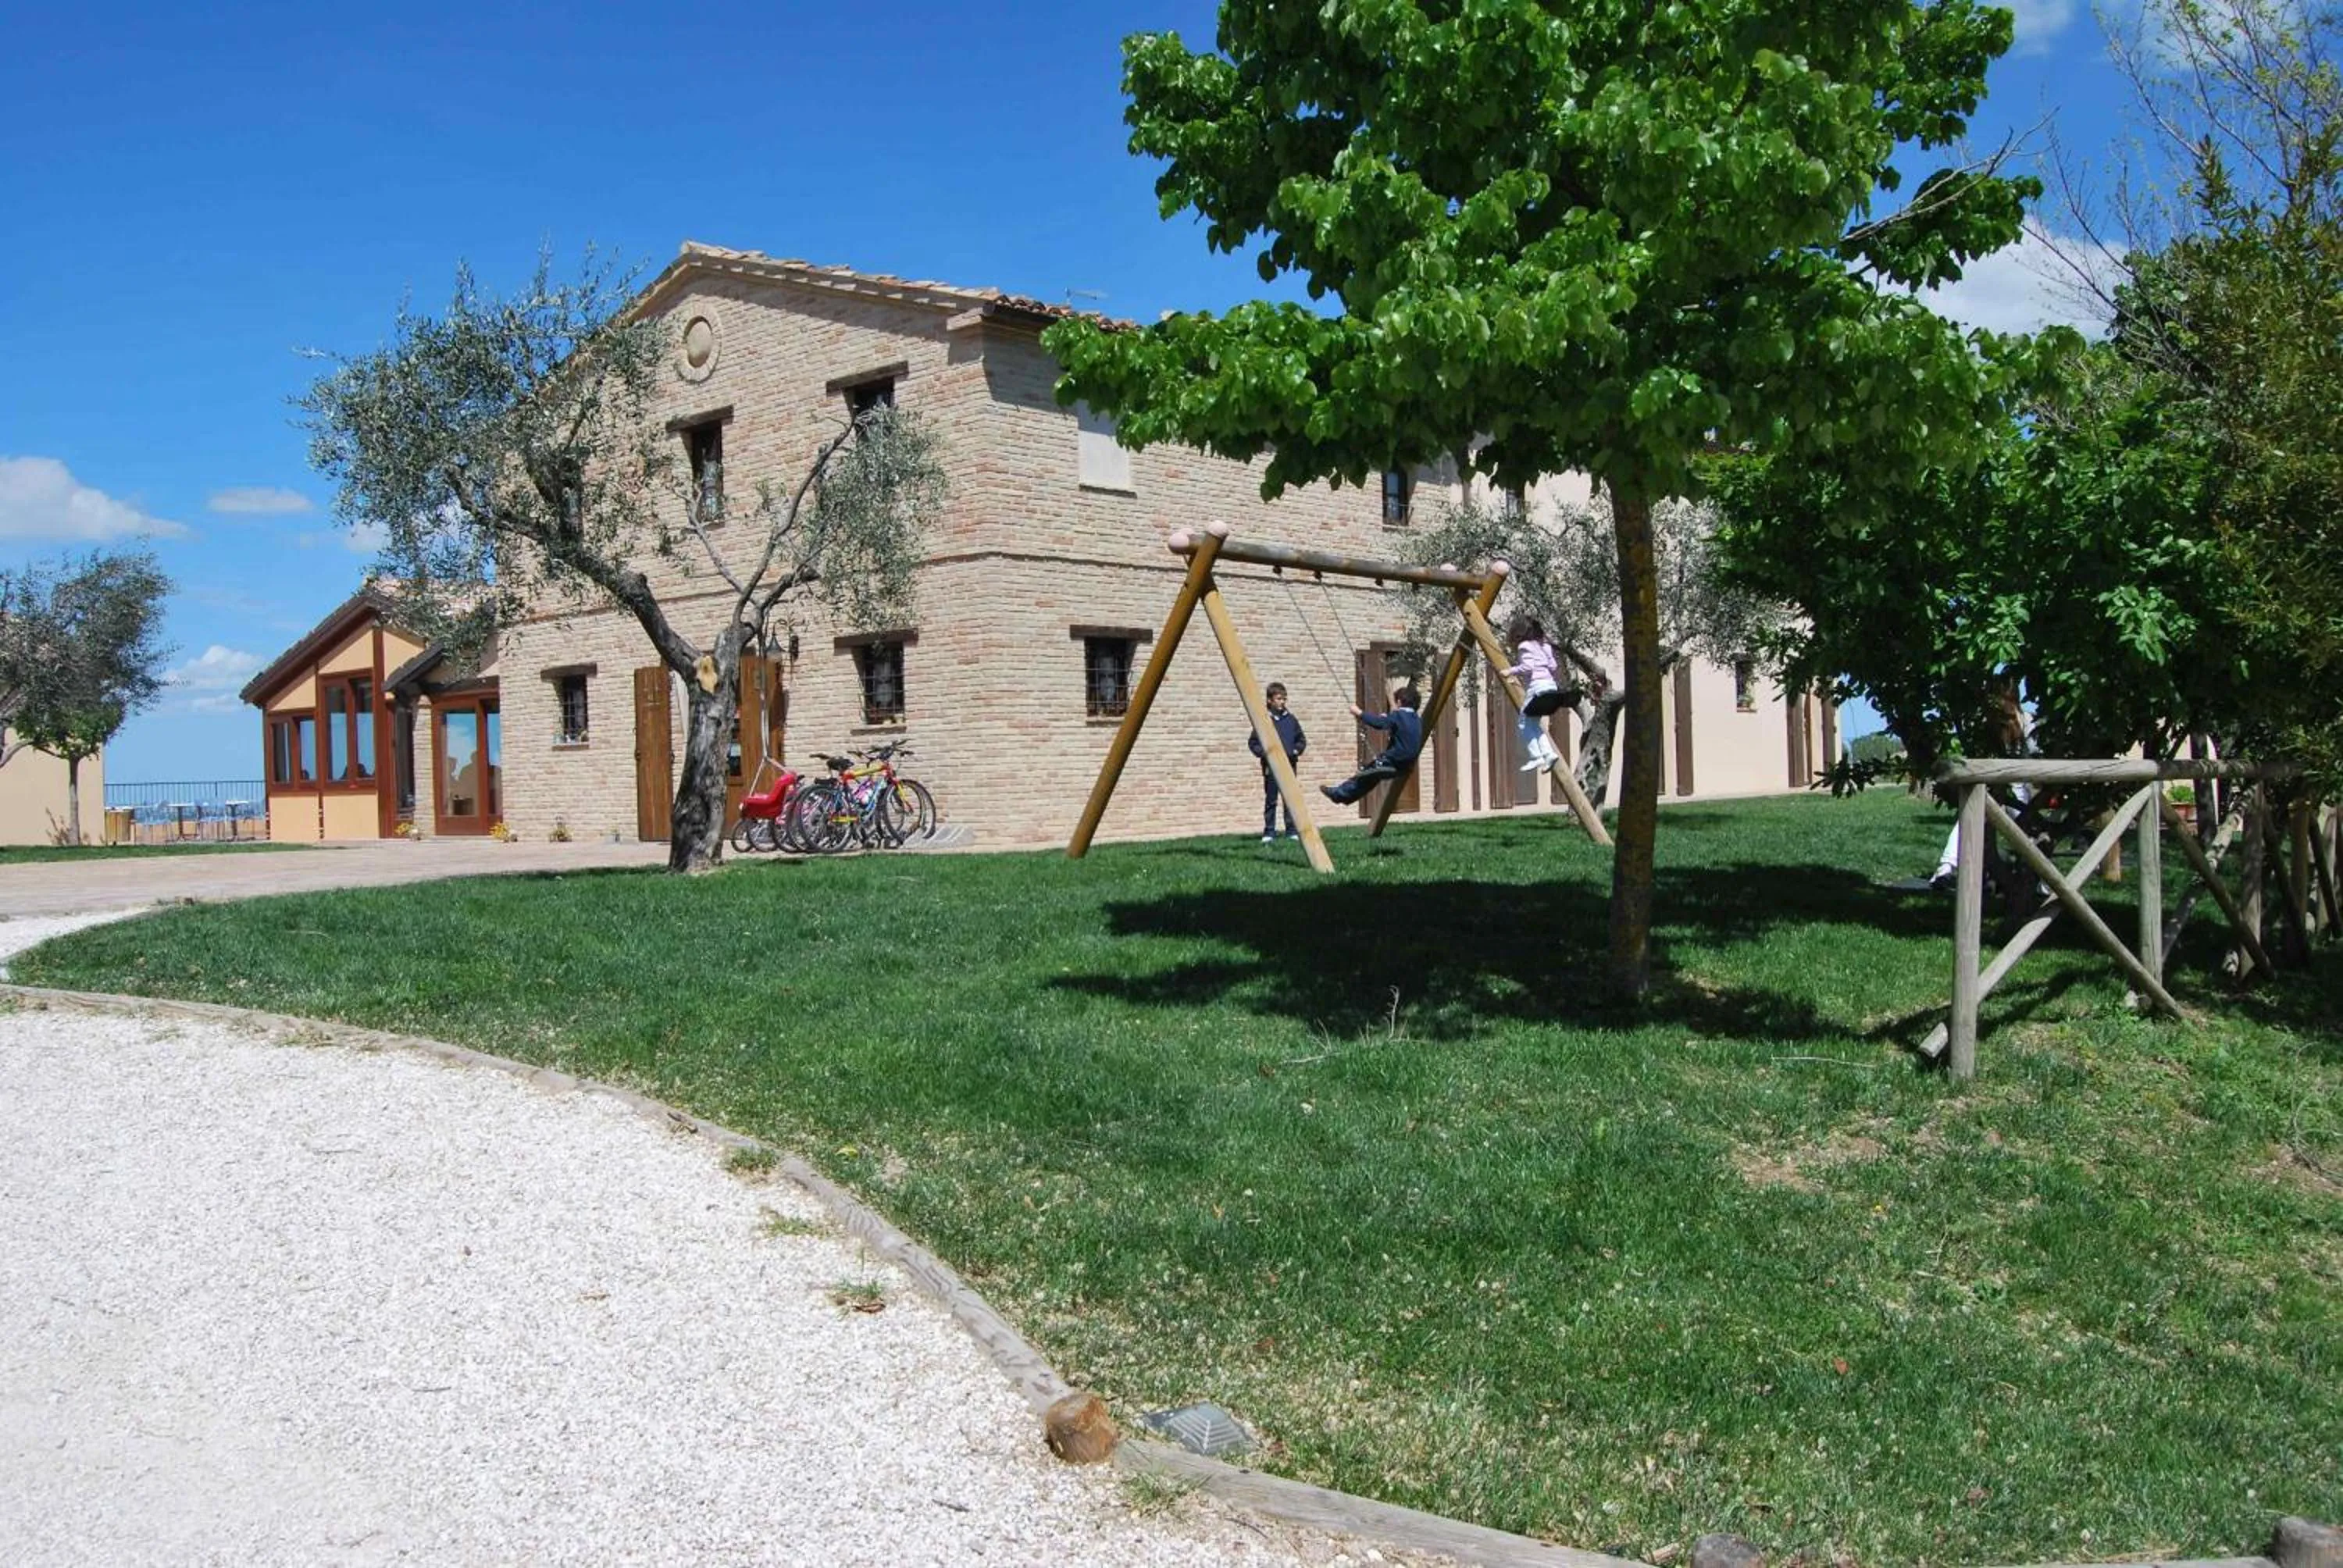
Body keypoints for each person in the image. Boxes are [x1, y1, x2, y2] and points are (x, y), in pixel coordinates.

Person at [1930, 684, 2035, 889]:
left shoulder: (2027, 723)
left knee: (2025, 831)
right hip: (1993, 785)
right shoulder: (1989, 725)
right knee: (1970, 818)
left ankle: (2039, 879)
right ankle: (1946, 869)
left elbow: (2034, 757)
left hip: (2017, 786)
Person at [1319, 685, 1423, 804]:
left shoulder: (1398, 716)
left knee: (1363, 775)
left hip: (1393, 761)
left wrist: (1359, 713)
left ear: (1399, 702)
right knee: (1371, 778)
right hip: (1406, 766)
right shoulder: (1417, 719)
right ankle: (1342, 797)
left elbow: (1378, 723)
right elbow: (1405, 731)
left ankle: (1339, 794)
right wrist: (1388, 719)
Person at [1504, 615, 1570, 772]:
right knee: (1533, 724)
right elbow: (1553, 666)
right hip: (1550, 687)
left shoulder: (1524, 646)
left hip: (1537, 688)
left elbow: (1528, 667)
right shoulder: (1544, 646)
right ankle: (1548, 754)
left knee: (1523, 723)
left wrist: (1510, 671)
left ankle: (1536, 757)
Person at [1247, 682, 1308, 843]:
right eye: (1279, 699)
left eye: (1284, 699)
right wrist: (1265, 754)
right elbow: (1253, 743)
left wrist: (1296, 750)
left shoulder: (1291, 720)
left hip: (1289, 765)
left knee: (1290, 799)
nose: (1282, 702)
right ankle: (1269, 832)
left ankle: (1291, 830)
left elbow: (1301, 740)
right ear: (1270, 700)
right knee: (1271, 800)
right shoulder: (1265, 721)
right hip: (1271, 767)